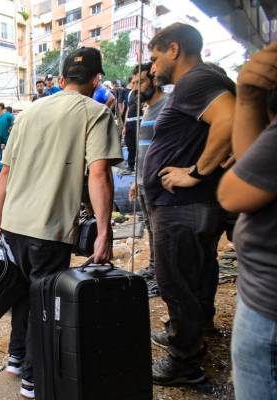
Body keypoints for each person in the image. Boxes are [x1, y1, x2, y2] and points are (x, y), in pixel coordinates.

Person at [0, 47, 121, 399]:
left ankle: (16, 359)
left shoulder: (28, 113)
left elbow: (5, 172)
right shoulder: (96, 113)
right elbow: (99, 173)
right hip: (48, 227)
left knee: (22, 294)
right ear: (96, 80)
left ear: (61, 80)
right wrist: (104, 233)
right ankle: (32, 379)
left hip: (14, 221)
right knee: (44, 303)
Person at [144, 23, 235, 385]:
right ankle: (194, 332)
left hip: (182, 204)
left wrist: (196, 172)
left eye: (154, 58)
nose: (152, 68)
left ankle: (184, 364)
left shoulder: (195, 80)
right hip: (189, 205)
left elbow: (228, 120)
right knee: (196, 274)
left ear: (174, 50)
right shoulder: (207, 79)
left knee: (175, 282)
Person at [216, 42, 277, 400]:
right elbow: (248, 157)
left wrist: (248, 97)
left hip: (267, 311)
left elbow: (232, 194)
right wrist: (250, 98)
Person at [125, 62, 168, 291]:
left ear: (153, 80)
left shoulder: (167, 106)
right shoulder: (147, 109)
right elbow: (144, 150)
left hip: (159, 185)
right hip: (143, 182)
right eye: (133, 83)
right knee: (151, 230)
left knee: (160, 233)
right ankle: (154, 269)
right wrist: (136, 179)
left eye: (140, 82)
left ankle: (162, 276)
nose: (135, 88)